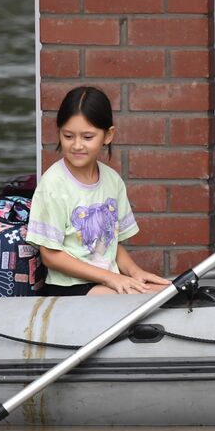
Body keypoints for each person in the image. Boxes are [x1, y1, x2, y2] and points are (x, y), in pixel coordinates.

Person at [26, 86, 170, 296]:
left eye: (87, 137)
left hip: (106, 282)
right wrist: (111, 278)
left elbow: (111, 244)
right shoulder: (53, 184)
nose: (76, 145)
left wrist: (134, 272)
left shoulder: (112, 181)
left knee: (169, 293)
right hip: (68, 288)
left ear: (108, 135)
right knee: (143, 300)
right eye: (68, 136)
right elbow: (49, 255)